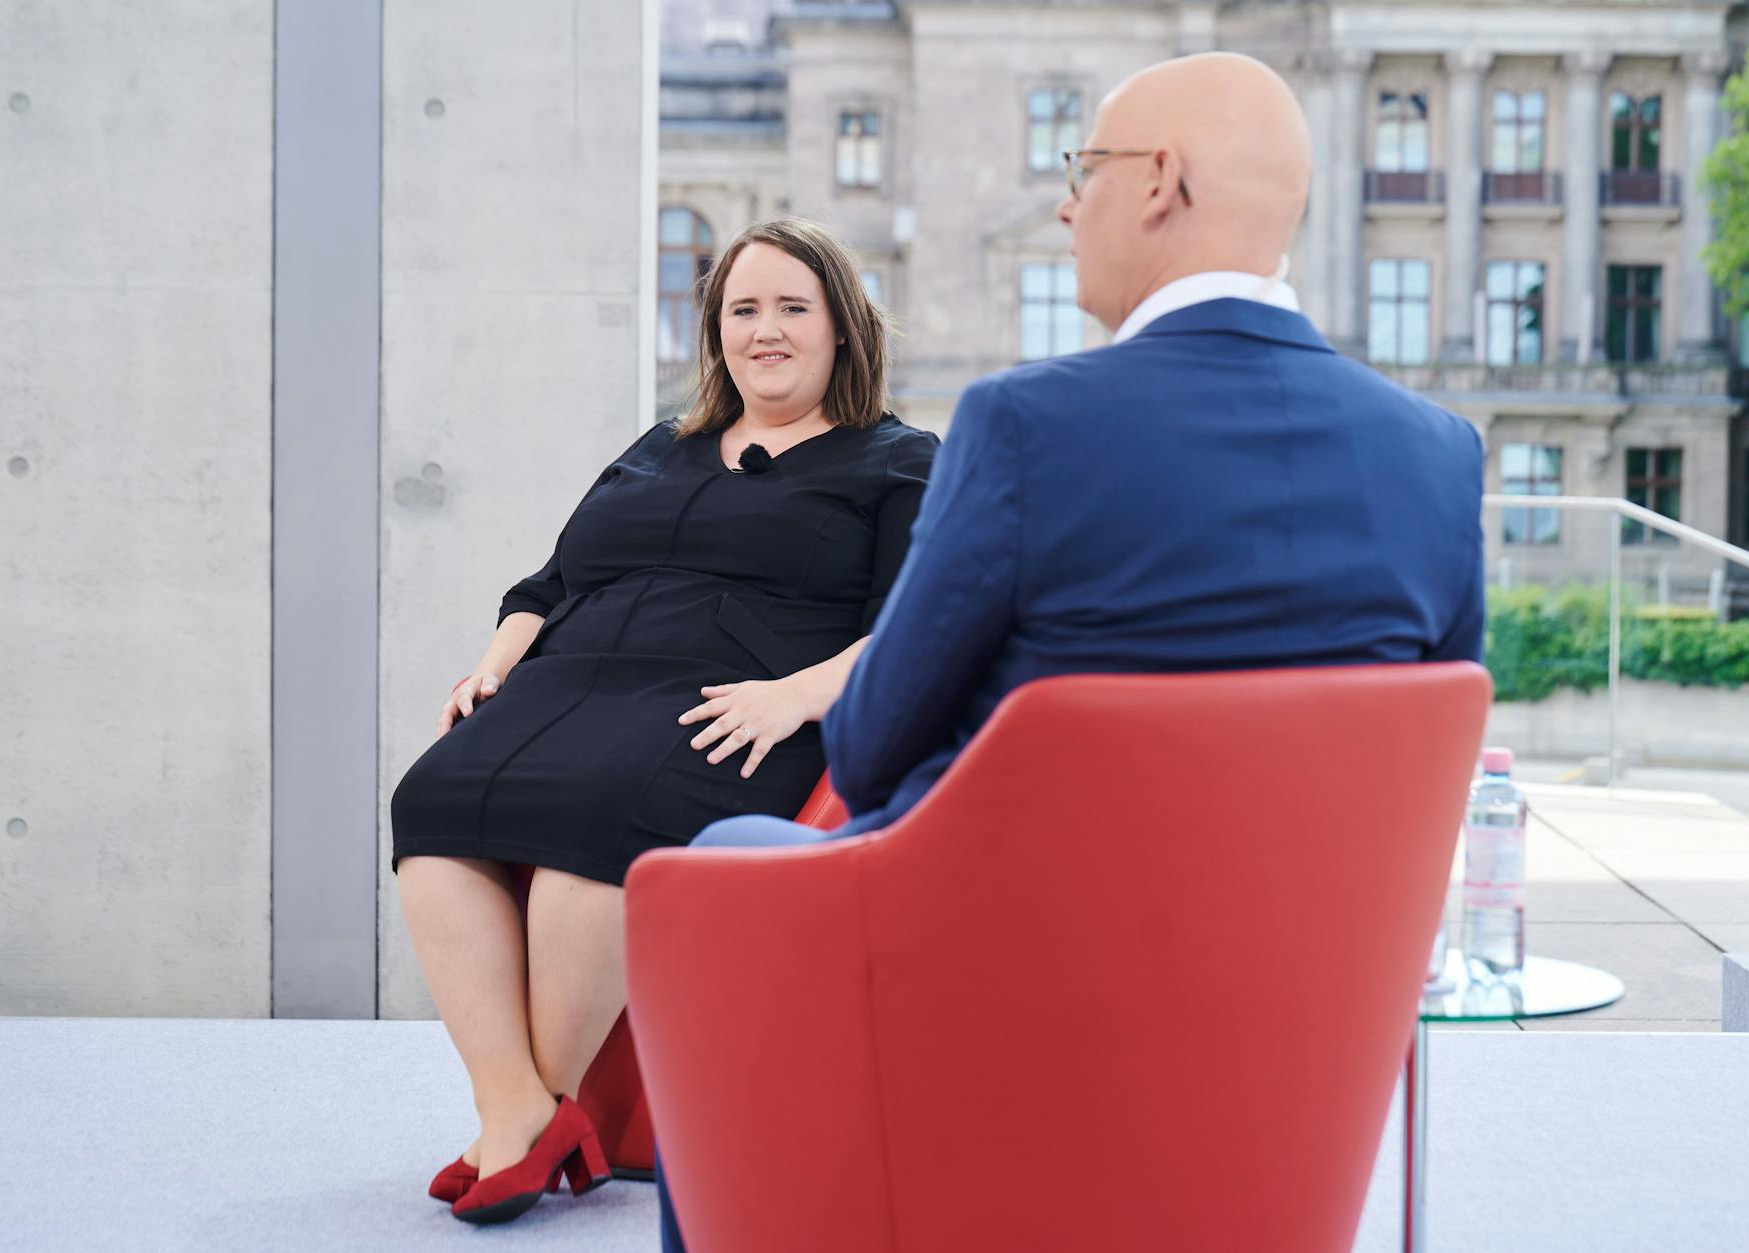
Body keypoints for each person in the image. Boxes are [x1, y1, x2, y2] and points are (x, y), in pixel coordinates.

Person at [655, 51, 1484, 1251]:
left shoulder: (1025, 425)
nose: (1062, 203)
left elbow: (874, 749)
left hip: (1000, 1002)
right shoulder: (1437, 454)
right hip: (1287, 1033)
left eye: (1079, 169)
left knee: (730, 851)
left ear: (1156, 182)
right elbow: (1422, 785)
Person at [389, 217, 938, 1226]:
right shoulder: (659, 447)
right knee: (429, 801)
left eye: (790, 308)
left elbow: (910, 622)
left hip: (728, 707)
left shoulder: (896, 460)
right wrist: (495, 661)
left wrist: (796, 695)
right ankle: (517, 1111)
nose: (763, 331)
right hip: (569, 684)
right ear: (715, 333)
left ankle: (516, 1129)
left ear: (842, 329)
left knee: (598, 816)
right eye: (741, 310)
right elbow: (547, 582)